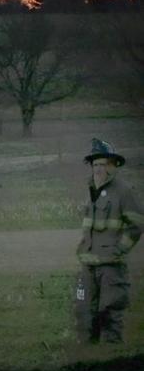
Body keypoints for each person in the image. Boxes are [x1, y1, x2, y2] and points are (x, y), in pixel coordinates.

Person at [76, 138, 142, 344]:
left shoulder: (123, 191)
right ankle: (88, 359)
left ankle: (111, 363)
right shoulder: (90, 190)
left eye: (103, 163)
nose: (98, 168)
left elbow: (137, 224)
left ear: (113, 166)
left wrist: (119, 250)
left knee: (111, 313)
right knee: (84, 312)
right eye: (95, 164)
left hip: (111, 266)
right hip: (88, 264)